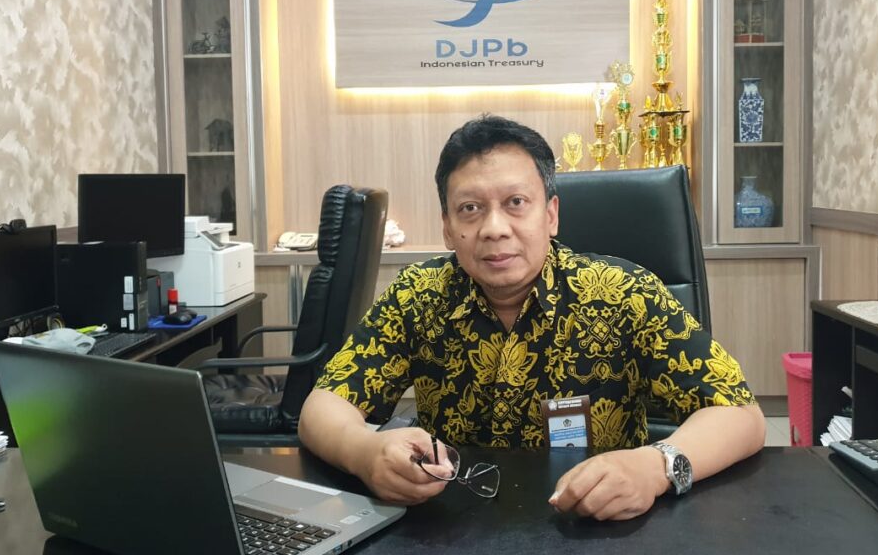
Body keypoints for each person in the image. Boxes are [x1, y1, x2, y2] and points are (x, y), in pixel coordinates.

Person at [299, 115, 764, 521]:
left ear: (551, 215)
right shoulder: (417, 295)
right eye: (470, 209)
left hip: (598, 531)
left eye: (516, 202)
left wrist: (654, 466)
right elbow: (322, 407)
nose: (494, 228)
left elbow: (741, 415)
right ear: (448, 228)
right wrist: (365, 452)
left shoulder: (625, 294)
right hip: (453, 534)